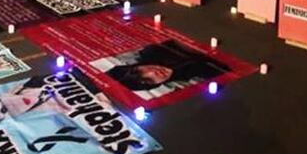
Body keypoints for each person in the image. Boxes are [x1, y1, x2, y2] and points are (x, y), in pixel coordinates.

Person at [93, 39, 230, 99]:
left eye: (138, 71)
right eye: (148, 81)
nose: (152, 72)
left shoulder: (152, 50)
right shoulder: (196, 77)